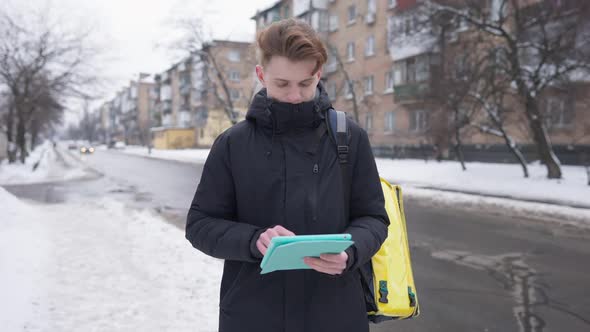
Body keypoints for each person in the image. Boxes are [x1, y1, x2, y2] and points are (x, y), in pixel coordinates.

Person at [186, 18, 388, 332]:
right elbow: (200, 225)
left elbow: (374, 219)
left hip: (335, 316)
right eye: (282, 84)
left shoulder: (349, 137)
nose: (295, 95)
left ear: (318, 75)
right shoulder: (232, 144)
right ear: (260, 74)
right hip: (253, 316)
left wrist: (351, 251)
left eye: (305, 84)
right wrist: (254, 240)